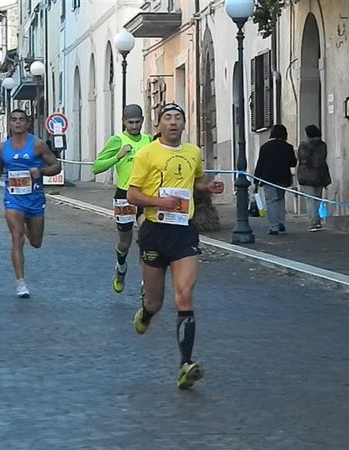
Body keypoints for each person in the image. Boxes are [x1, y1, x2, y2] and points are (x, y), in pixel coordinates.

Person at [127, 103, 224, 390]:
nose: (173, 123)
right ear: (158, 126)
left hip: (184, 233)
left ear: (184, 124)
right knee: (155, 302)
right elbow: (132, 194)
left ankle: (185, 364)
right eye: (167, 118)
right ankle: (145, 312)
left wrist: (208, 187)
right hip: (155, 232)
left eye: (178, 118)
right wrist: (159, 202)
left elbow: (194, 180)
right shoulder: (146, 153)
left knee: (184, 297)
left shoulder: (193, 152)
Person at [0, 109, 61, 298]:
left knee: (36, 242)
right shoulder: (2, 148)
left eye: (21, 120)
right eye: (14, 120)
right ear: (9, 124)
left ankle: (26, 225)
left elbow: (56, 166)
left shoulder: (38, 145)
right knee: (16, 237)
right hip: (14, 199)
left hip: (34, 199)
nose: (17, 123)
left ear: (27, 123)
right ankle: (20, 283)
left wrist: (41, 172)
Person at [93, 104, 152, 293]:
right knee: (125, 242)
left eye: (137, 122)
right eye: (130, 123)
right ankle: (121, 267)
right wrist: (118, 156)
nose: (134, 126)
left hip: (145, 195)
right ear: (123, 122)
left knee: (146, 238)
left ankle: (146, 283)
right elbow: (97, 167)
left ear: (143, 120)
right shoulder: (117, 140)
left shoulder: (149, 140)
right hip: (124, 195)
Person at [253, 124, 297, 235]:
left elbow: (260, 164)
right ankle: (281, 222)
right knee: (281, 199)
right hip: (283, 177)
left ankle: (274, 226)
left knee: (271, 201)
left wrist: (256, 180)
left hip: (268, 177)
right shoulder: (288, 147)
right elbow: (293, 163)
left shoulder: (265, 147)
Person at [297, 124, 331, 232]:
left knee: (310, 200)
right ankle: (317, 221)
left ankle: (313, 222)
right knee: (317, 198)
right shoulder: (322, 145)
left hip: (306, 176)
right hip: (320, 175)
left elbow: (301, 158)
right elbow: (323, 159)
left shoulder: (304, 146)